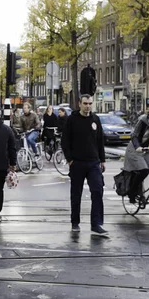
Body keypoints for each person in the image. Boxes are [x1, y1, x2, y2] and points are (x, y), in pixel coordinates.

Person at [61, 95, 108, 237]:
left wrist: (102, 160)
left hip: (94, 162)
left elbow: (100, 141)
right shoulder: (72, 120)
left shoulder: (95, 119)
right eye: (85, 103)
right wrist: (70, 160)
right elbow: (65, 141)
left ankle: (96, 223)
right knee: (76, 193)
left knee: (98, 191)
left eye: (90, 104)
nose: (88, 106)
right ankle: (75, 222)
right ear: (79, 104)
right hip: (77, 162)